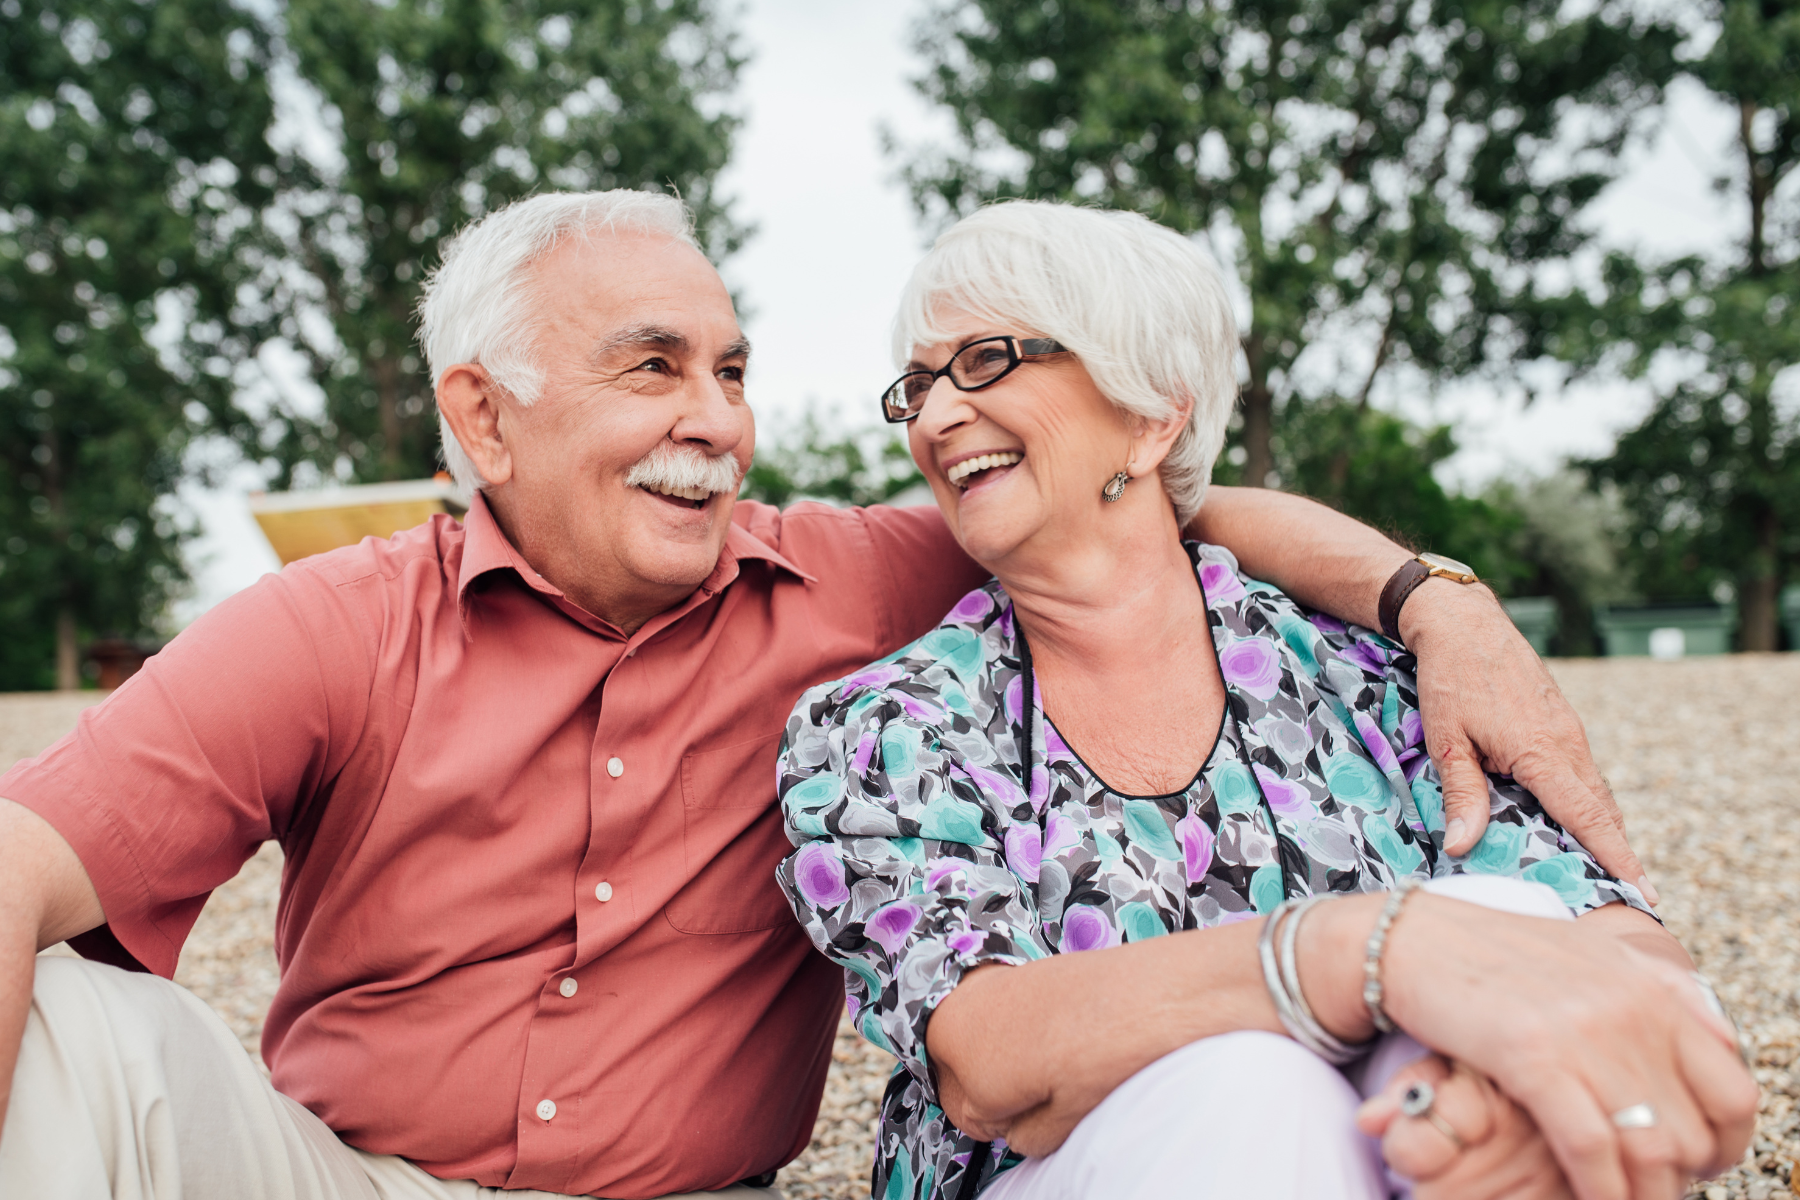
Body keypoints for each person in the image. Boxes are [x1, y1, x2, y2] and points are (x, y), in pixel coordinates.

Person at [0, 189, 1660, 1200]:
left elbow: (1149, 499)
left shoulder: (858, 575)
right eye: (651, 367)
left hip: (693, 1196)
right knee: (80, 1025)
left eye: (730, 369)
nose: (716, 420)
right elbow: (26, 858)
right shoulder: (329, 627)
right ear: (483, 420)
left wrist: (1431, 597)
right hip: (339, 1183)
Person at [775, 200, 1758, 1200]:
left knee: (1511, 931)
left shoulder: (1374, 671)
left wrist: (1563, 1060)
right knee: (1253, 1085)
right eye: (919, 384)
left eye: (986, 360)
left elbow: (1601, 921)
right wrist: (1357, 954)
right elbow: (985, 1062)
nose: (937, 417)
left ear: (1155, 410)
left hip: (1409, 1163)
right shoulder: (887, 727)